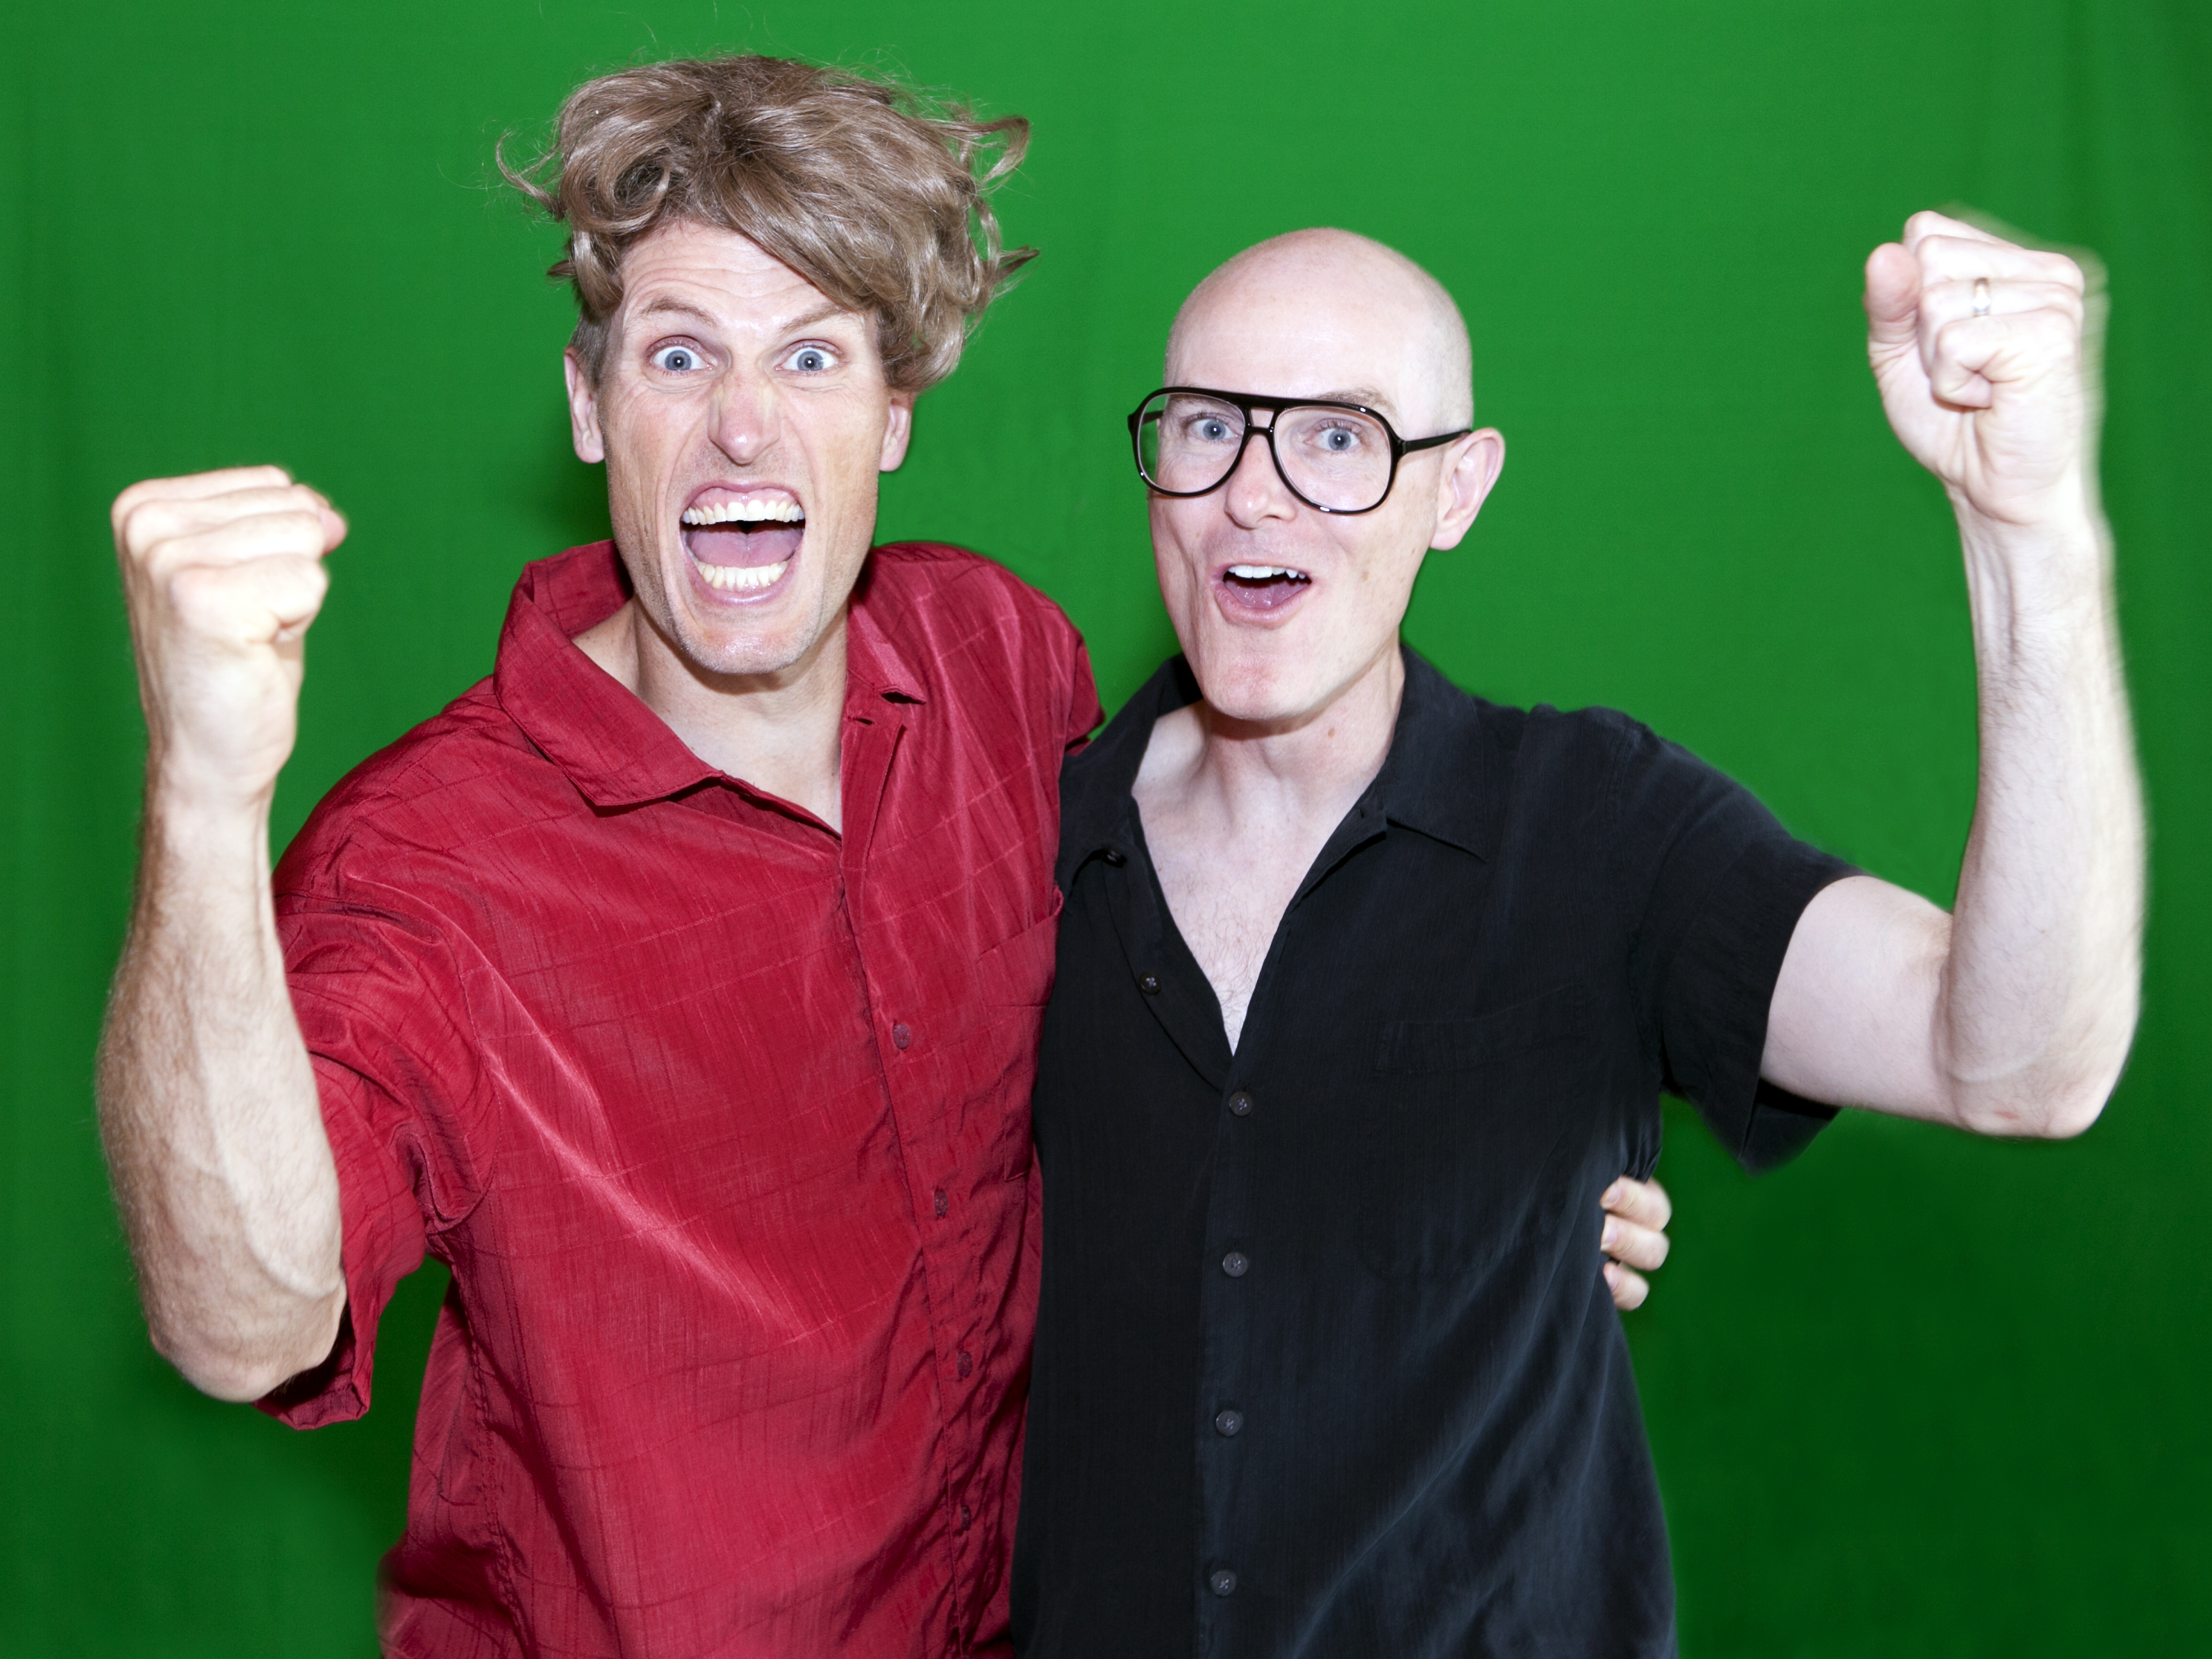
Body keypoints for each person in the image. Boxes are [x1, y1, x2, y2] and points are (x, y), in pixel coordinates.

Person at [94, 55, 1670, 1656]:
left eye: (813, 355)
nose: (744, 427)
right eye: (681, 355)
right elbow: (243, 1325)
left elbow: (1196, 1016)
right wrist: (206, 795)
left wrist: (1471, 1192)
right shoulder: (427, 861)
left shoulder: (1003, 664)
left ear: (893, 412)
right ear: (588, 402)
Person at [1011, 219, 2141, 1656]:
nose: (1254, 495)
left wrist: (2030, 534)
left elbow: (2017, 1066)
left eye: (1341, 438)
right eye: (1209, 426)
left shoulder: (1599, 828)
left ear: (1457, 489)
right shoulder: (1014, 852)